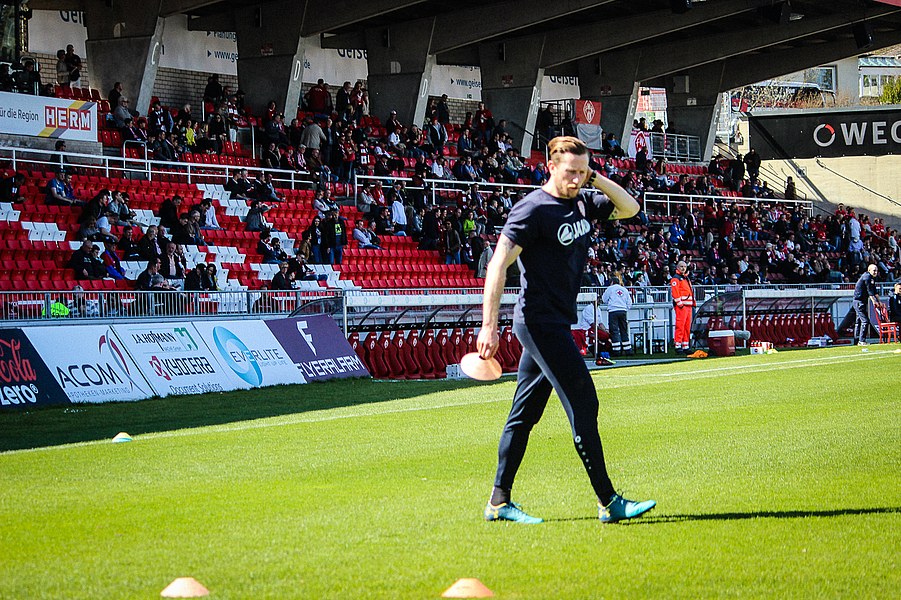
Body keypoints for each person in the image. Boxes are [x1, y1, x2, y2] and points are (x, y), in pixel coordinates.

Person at [478, 136, 655, 525]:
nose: (576, 179)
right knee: (584, 403)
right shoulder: (532, 210)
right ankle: (608, 501)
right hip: (538, 323)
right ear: (551, 167)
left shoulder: (583, 200)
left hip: (556, 321)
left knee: (524, 415)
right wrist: (489, 325)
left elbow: (631, 208)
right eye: (570, 172)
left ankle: (498, 501)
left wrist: (596, 178)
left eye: (581, 172)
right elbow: (497, 265)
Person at [670, 260, 695, 354]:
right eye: (681, 266)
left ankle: (685, 345)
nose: (683, 268)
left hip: (688, 305)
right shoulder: (676, 279)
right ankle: (678, 345)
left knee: (687, 326)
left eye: (684, 266)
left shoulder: (685, 278)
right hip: (682, 306)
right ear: (677, 267)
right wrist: (679, 304)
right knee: (680, 326)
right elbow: (675, 292)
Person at [602, 281, 633, 356]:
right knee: (624, 330)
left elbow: (604, 299)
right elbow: (629, 302)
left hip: (613, 311)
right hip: (623, 311)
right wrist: (625, 309)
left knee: (614, 331)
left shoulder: (610, 289)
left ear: (612, 282)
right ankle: (628, 350)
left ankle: (617, 350)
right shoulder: (624, 289)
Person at [853, 264, 880, 345]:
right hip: (859, 301)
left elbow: (874, 291)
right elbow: (870, 291)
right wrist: (874, 302)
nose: (876, 272)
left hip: (861, 301)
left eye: (876, 270)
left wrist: (879, 302)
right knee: (865, 321)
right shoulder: (867, 277)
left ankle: (857, 341)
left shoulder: (871, 278)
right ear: (869, 270)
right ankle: (861, 340)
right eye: (874, 270)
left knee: (858, 321)